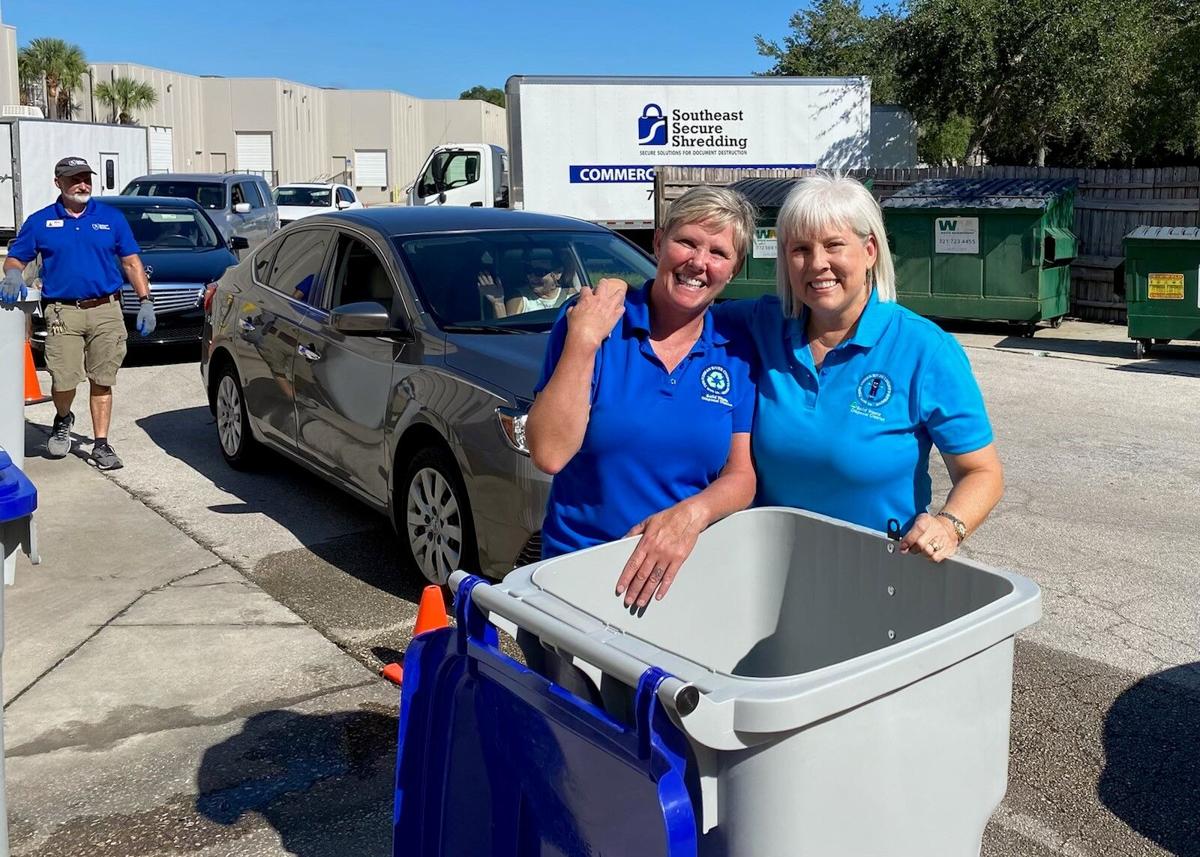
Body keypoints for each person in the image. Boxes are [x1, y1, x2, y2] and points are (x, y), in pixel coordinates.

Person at [713, 173, 1003, 561]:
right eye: (800, 249)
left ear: (869, 251)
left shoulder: (924, 349)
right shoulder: (760, 325)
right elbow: (680, 315)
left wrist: (949, 524)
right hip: (771, 571)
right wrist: (616, 299)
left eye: (834, 245)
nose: (817, 264)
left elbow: (982, 472)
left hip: (878, 576)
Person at [526, 185, 759, 609]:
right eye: (686, 241)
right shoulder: (596, 320)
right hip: (580, 573)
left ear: (734, 268)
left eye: (718, 253)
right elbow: (549, 453)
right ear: (658, 241)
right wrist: (583, 340)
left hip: (679, 576)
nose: (698, 262)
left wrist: (690, 516)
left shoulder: (736, 349)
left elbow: (740, 475)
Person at [0, 157, 156, 470]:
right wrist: (13, 273)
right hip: (63, 312)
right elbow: (16, 258)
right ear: (58, 183)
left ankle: (101, 444)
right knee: (63, 380)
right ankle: (63, 418)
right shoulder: (41, 221)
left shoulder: (110, 218)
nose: (82, 184)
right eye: (74, 179)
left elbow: (131, 261)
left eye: (86, 178)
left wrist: (146, 300)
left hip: (106, 310)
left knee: (102, 379)